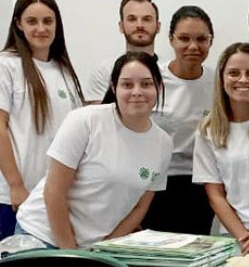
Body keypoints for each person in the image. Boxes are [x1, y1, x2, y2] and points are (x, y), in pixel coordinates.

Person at [15, 52, 172, 249]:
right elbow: (54, 191)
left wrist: (104, 248)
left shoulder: (163, 143)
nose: (137, 91)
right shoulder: (85, 121)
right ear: (114, 88)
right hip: (43, 236)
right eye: (127, 84)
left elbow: (140, 207)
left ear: (159, 87)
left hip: (93, 248)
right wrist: (71, 255)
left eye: (146, 84)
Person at [0, 0, 84, 240]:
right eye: (32, 21)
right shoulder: (4, 65)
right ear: (18, 25)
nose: (41, 28)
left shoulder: (63, 70)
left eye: (48, 21)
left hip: (57, 197)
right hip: (19, 197)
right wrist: (15, 186)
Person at [193, 43, 249, 254]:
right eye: (234, 73)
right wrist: (244, 238)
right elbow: (215, 195)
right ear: (221, 78)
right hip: (232, 236)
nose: (243, 80)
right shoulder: (207, 130)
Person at [132, 5, 217, 235]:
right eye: (184, 38)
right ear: (171, 40)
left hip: (201, 186)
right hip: (153, 184)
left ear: (211, 41)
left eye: (201, 39)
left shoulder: (218, 82)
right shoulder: (151, 79)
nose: (193, 46)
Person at [85, 0, 161, 103]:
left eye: (147, 19)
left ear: (158, 27)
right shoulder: (104, 71)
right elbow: (96, 117)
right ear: (121, 26)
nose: (139, 25)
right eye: (132, 19)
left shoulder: (169, 71)